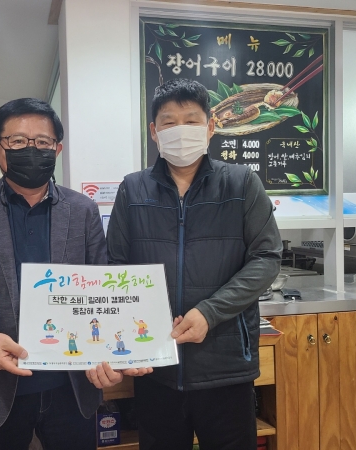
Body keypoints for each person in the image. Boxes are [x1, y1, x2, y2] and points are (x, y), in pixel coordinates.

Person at [0, 98, 146, 450]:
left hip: (72, 387)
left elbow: (103, 288)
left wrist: (113, 352)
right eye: (18, 141)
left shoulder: (82, 210)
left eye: (42, 142)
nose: (32, 149)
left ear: (57, 149)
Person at [107, 78, 282, 450]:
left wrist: (209, 312)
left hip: (227, 367)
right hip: (155, 367)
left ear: (211, 126)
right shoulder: (132, 189)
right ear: (154, 132)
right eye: (169, 122)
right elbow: (116, 267)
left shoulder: (241, 184)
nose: (180, 130)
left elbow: (266, 258)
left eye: (191, 120)